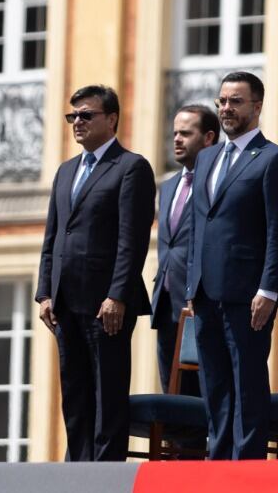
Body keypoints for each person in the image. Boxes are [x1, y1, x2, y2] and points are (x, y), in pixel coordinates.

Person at [36, 85, 155, 461]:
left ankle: (104, 474)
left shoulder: (130, 167)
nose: (77, 123)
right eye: (73, 117)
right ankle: (78, 470)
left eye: (86, 115)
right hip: (65, 301)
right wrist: (44, 292)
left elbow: (131, 239)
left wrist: (117, 295)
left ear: (112, 119)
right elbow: (53, 235)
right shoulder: (66, 170)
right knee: (74, 392)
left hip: (106, 305)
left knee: (107, 394)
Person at [186, 71, 278, 460]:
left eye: (235, 101)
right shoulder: (207, 158)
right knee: (214, 385)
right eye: (221, 101)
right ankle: (217, 465)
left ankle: (247, 468)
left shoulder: (273, 159)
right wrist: (190, 285)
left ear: (257, 106)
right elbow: (198, 224)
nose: (226, 109)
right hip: (204, 292)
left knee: (246, 383)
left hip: (248, 294)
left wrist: (268, 288)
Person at [152, 103, 220, 391]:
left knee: (205, 391)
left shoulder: (218, 183)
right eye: (175, 133)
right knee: (173, 392)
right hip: (166, 302)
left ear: (208, 138)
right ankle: (176, 439)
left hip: (201, 302)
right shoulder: (168, 187)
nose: (177, 139)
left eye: (186, 133)